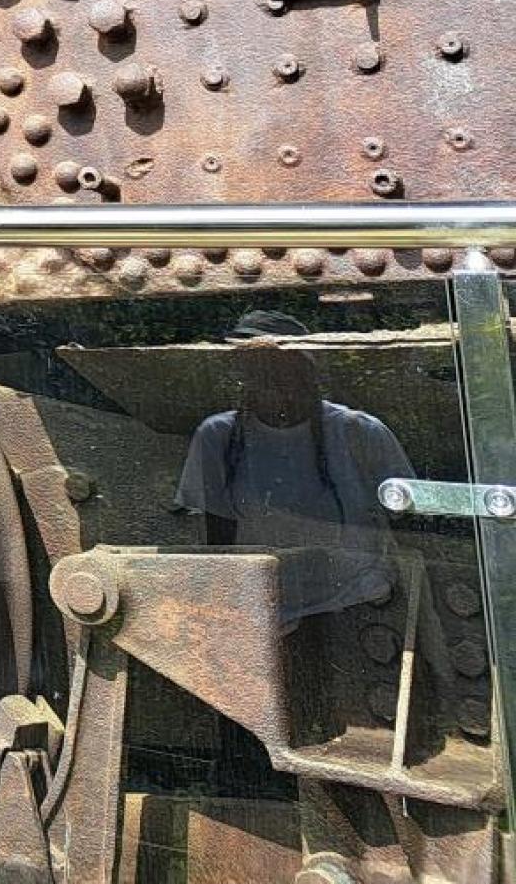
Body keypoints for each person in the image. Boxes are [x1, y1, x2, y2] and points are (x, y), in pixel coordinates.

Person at [175, 309, 414, 748]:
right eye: (255, 365)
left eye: (280, 363)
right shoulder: (219, 437)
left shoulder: (360, 432)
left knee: (359, 744)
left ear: (307, 366)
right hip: (264, 612)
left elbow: (409, 525)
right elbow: (212, 538)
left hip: (354, 610)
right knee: (260, 744)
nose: (270, 378)